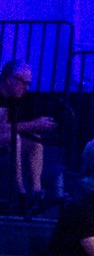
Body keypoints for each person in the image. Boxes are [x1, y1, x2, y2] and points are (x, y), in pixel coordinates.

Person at [3, 60, 59, 210]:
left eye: (29, 84)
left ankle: (36, 192)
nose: (26, 88)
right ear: (9, 79)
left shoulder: (15, 99)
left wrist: (36, 127)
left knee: (35, 144)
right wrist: (33, 124)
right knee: (15, 138)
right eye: (24, 82)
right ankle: (19, 192)